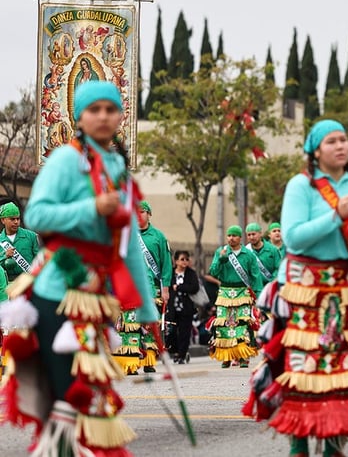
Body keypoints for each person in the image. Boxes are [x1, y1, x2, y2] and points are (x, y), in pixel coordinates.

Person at [0, 80, 157, 456]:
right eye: (94, 110)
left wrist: (148, 308)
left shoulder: (118, 167)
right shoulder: (66, 160)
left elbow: (129, 241)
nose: (103, 116)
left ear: (121, 116)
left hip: (95, 298)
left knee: (91, 395)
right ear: (80, 118)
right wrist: (90, 208)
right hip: (56, 292)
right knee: (68, 396)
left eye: (110, 109)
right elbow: (36, 214)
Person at [264, 119, 348, 457]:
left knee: (341, 366)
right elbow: (294, 236)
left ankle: (333, 442)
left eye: (344, 139)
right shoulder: (301, 185)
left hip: (343, 283)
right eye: (332, 141)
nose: (341, 146)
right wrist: (334, 216)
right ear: (315, 150)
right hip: (304, 285)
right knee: (303, 362)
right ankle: (299, 441)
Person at [114, 200, 172, 374]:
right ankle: (131, 363)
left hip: (151, 288)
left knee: (148, 325)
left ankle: (148, 360)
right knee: (130, 325)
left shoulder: (159, 237)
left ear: (149, 214)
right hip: (129, 287)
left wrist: (166, 288)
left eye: (143, 212)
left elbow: (166, 264)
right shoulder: (126, 235)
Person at [208, 225, 263, 368]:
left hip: (242, 292)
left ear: (240, 238)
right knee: (224, 324)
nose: (231, 238)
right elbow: (213, 272)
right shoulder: (221, 251)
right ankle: (226, 356)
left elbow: (255, 276)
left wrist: (257, 294)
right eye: (229, 236)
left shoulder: (248, 255)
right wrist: (221, 260)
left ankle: (243, 356)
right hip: (225, 292)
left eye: (234, 236)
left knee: (243, 323)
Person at [167, 250, 200, 364]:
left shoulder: (191, 273)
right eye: (182, 259)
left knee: (184, 332)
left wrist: (179, 287)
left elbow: (194, 287)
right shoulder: (170, 273)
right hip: (172, 308)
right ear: (176, 261)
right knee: (171, 332)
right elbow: (167, 286)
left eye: (187, 259)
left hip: (186, 308)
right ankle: (175, 351)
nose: (185, 262)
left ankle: (182, 354)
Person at [0, 202, 40, 284]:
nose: (16, 222)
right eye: (12, 219)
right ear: (3, 220)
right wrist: (5, 256)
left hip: (28, 282)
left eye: (18, 219)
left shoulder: (31, 236)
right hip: (7, 284)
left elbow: (40, 259)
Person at [246, 222, 282, 288]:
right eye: (249, 235)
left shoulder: (273, 250)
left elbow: (279, 268)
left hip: (270, 286)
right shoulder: (246, 251)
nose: (251, 237)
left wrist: (272, 281)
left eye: (254, 234)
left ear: (260, 234)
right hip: (253, 288)